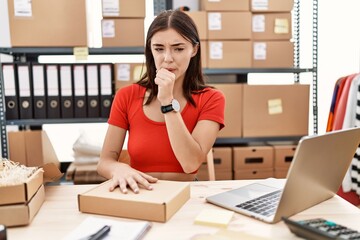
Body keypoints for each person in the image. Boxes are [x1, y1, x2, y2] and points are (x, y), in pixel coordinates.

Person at [97, 10, 225, 194]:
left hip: (186, 194)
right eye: (159, 49)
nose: (167, 58)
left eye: (178, 49)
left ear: (194, 50)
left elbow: (190, 164)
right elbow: (104, 163)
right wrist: (119, 168)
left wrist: (167, 102)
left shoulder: (211, 98)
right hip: (139, 193)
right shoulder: (127, 95)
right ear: (150, 49)